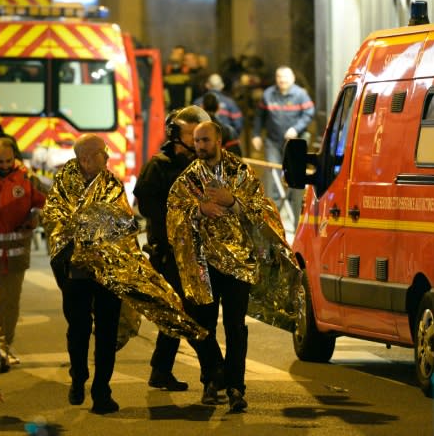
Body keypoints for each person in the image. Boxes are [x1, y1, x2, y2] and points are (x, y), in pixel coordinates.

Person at [42, 134, 205, 415]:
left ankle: (101, 391)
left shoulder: (111, 182)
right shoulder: (64, 185)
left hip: (111, 270)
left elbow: (123, 220)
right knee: (78, 330)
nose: (107, 157)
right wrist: (82, 240)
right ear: (86, 159)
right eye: (103, 153)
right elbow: (56, 221)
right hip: (77, 272)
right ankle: (79, 377)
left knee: (107, 331)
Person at [167, 121, 297, 413]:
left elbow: (263, 210)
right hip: (203, 264)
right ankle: (212, 380)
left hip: (239, 264)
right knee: (203, 325)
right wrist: (199, 210)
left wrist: (233, 202)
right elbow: (173, 212)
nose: (199, 146)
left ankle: (236, 387)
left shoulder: (241, 172)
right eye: (196, 141)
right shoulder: (189, 178)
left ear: (218, 140)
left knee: (236, 327)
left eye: (205, 140)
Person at [134, 105, 225, 394]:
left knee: (179, 312)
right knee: (192, 313)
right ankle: (215, 373)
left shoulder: (202, 165)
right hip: (171, 252)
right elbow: (147, 207)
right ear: (177, 136)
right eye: (193, 135)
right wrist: (186, 212)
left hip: (203, 250)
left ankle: (161, 371)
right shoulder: (159, 166)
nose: (199, 140)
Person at [0, 137, 46, 372]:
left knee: (10, 306)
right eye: (0, 161)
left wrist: (35, 217)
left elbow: (45, 202)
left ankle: (3, 347)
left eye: (9, 160)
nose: (5, 165)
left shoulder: (26, 178)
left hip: (17, 256)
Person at [251, 66, 315, 220]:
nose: (282, 80)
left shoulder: (300, 95)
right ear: (276, 79)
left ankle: (295, 212)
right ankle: (273, 214)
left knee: (294, 176)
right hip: (273, 141)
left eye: (285, 77)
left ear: (292, 78)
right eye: (279, 77)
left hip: (294, 142)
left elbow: (309, 113)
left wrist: (296, 128)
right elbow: (259, 116)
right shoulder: (268, 94)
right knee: (272, 175)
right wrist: (256, 135)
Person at [202, 92, 242, 156]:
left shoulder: (194, 130)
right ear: (218, 107)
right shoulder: (229, 131)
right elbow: (236, 158)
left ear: (202, 107)